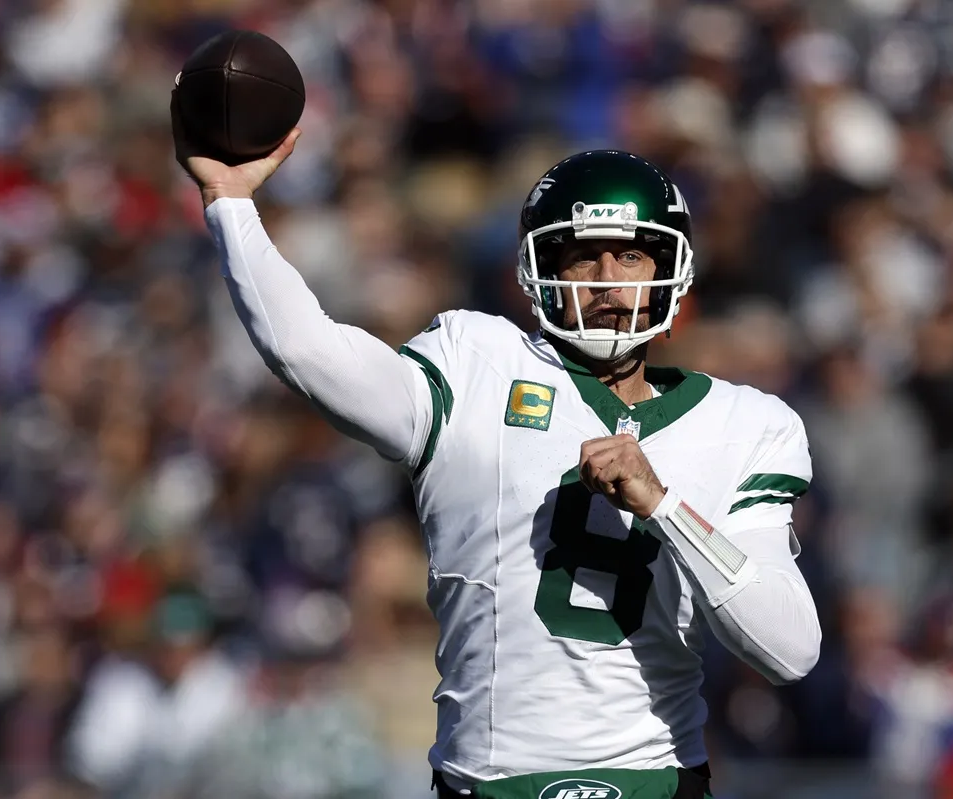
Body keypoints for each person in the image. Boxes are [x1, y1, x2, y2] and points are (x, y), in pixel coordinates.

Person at [172, 93, 821, 799]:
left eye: (630, 255)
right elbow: (306, 349)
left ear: (671, 267)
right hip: (488, 782)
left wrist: (663, 505)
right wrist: (231, 203)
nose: (607, 282)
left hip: (658, 781)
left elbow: (789, 648)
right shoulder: (474, 361)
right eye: (582, 257)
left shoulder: (748, 422)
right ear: (540, 267)